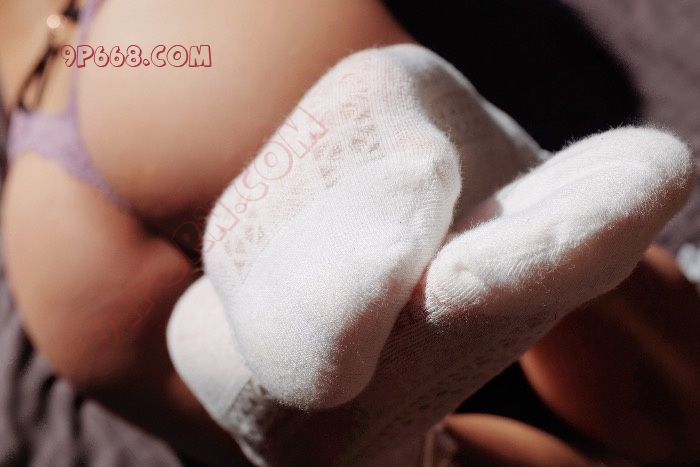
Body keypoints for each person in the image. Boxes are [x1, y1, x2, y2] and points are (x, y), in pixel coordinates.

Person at [0, 1, 698, 465]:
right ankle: (502, 189)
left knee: (392, 451)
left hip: (46, 212)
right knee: (547, 251)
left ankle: (337, 423)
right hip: (159, 46)